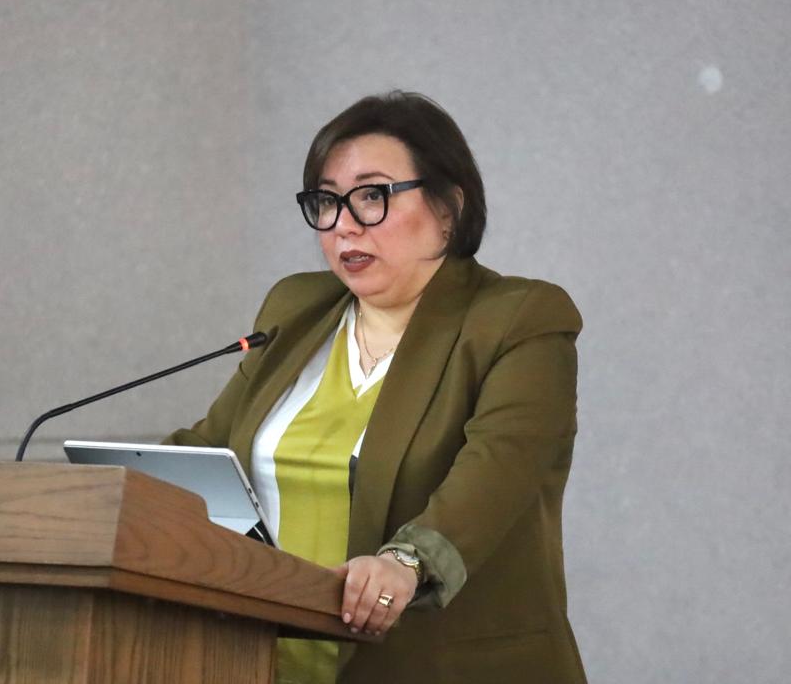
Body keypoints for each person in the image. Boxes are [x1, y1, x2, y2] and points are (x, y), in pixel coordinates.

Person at [165, 91, 587, 683]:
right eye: (327, 201)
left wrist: (406, 561)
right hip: (264, 662)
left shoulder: (518, 319)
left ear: (449, 207)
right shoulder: (296, 309)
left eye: (371, 196)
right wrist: (97, 494)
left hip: (441, 666)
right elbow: (208, 453)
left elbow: (494, 474)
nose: (343, 224)